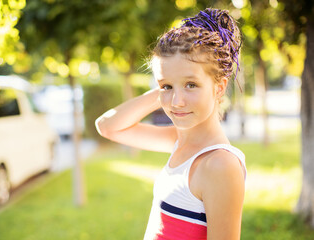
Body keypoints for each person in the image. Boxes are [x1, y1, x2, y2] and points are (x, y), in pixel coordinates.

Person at [95, 8, 246, 240]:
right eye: (166, 87)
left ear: (220, 87)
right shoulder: (178, 141)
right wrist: (168, 85)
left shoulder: (219, 165)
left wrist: (172, 83)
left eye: (191, 85)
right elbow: (107, 126)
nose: (177, 102)